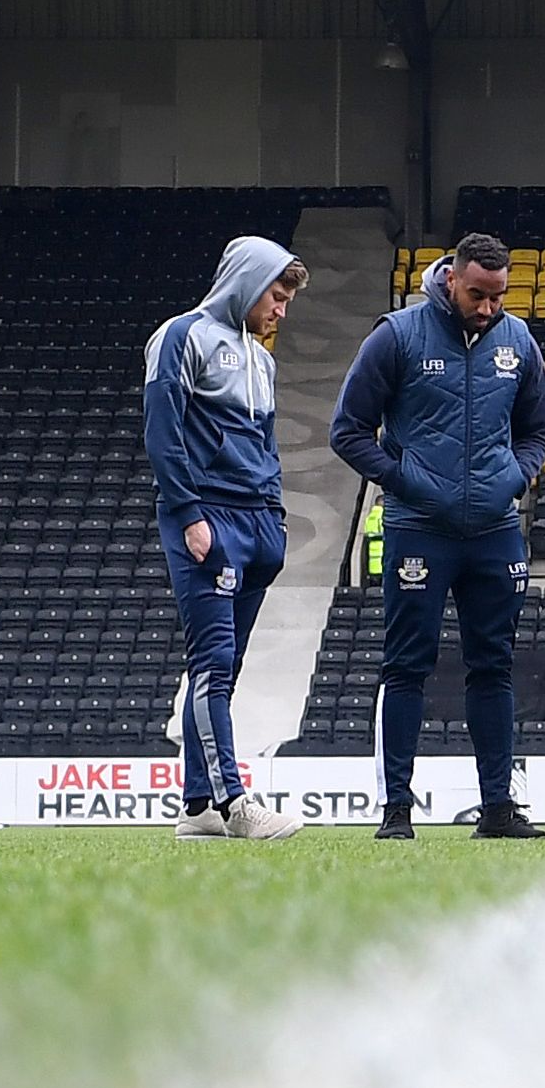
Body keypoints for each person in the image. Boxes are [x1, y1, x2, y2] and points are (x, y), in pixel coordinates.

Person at [331, 232, 545, 840]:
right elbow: (347, 430)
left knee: (494, 666)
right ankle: (396, 811)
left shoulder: (517, 341)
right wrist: (406, 481)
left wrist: (514, 476)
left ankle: (498, 809)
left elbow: (538, 428)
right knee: (406, 666)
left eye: (498, 296)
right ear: (451, 278)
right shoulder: (397, 336)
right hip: (418, 529)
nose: (488, 308)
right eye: (477, 294)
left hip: (495, 530)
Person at [145, 234, 309, 842]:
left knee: (224, 670)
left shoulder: (262, 361)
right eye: (276, 296)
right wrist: (189, 514)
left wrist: (276, 518)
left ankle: (197, 809)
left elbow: (266, 445)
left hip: (258, 523)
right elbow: (162, 431)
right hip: (208, 517)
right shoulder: (181, 336)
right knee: (212, 666)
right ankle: (236, 803)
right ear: (247, 283)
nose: (281, 311)